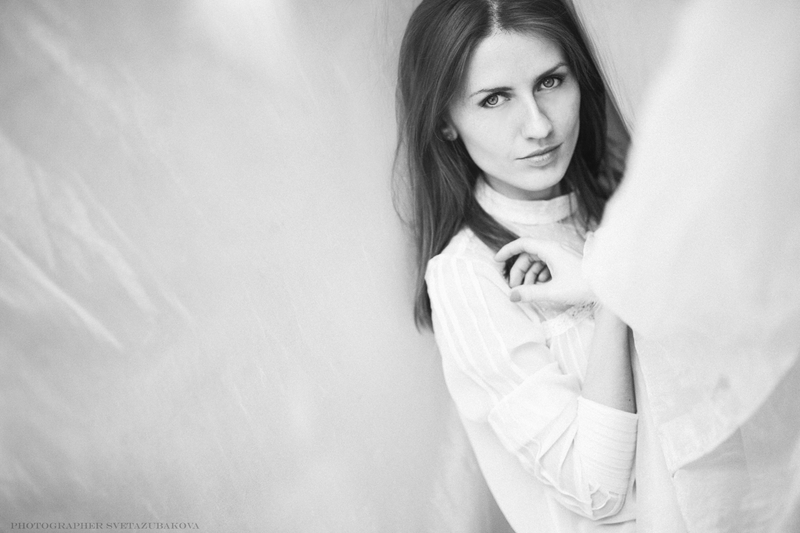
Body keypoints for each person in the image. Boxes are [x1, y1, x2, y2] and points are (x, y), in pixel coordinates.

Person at [395, 1, 637, 531]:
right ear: (445, 121)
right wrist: (612, 292)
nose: (539, 125)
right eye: (494, 98)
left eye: (551, 81)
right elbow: (598, 492)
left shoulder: (626, 208)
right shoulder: (467, 276)